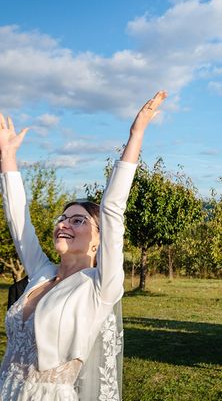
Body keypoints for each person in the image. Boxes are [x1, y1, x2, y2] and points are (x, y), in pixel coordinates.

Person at [0, 91, 167, 400]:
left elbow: (113, 208)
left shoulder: (100, 287)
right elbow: (18, 221)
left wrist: (136, 133)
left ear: (99, 239)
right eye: (63, 218)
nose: (64, 223)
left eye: (78, 220)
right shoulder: (41, 273)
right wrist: (7, 158)